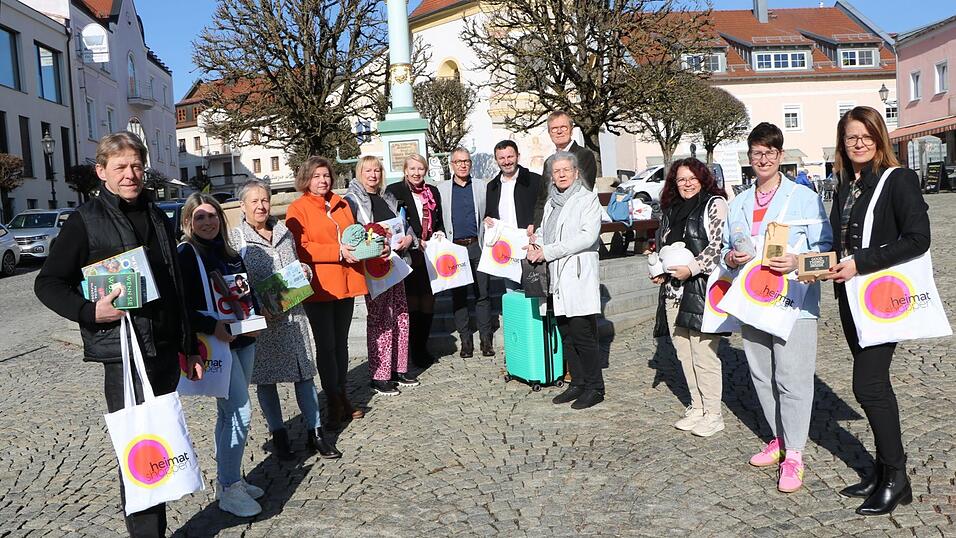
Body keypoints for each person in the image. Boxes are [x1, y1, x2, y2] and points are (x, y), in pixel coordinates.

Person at [34, 132, 202, 537]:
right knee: (140, 451)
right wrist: (90, 310)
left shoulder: (157, 214)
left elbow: (176, 285)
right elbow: (48, 283)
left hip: (163, 351)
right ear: (102, 172)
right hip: (125, 354)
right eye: (121, 167)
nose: (131, 175)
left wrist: (189, 344)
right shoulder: (84, 221)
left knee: (162, 445)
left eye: (136, 166)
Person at [827, 106, 929, 515]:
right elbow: (844, 238)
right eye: (852, 137)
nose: (859, 143)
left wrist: (860, 263)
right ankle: (885, 471)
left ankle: (896, 475)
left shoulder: (898, 179)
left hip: (882, 297)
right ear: (843, 142)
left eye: (867, 135)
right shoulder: (844, 185)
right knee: (877, 386)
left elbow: (918, 239)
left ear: (880, 137)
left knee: (867, 385)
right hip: (851, 297)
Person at [721, 122, 832, 493]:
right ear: (749, 158)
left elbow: (828, 255)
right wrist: (731, 259)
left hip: (794, 304)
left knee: (792, 378)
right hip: (753, 302)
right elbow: (725, 250)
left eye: (770, 152)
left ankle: (795, 454)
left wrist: (798, 261)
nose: (763, 159)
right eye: (757, 153)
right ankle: (779, 439)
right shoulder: (738, 202)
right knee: (762, 376)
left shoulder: (804, 197)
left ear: (781, 156)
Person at [230, 180, 341, 460]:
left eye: (264, 200)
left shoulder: (284, 231)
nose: (261, 206)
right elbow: (236, 283)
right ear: (242, 206)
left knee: (304, 375)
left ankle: (316, 433)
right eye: (254, 201)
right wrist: (256, 304)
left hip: (293, 316)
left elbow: (295, 266)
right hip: (264, 321)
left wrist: (304, 272)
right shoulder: (236, 239)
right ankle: (279, 435)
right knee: (266, 381)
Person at [177, 193, 265, 517]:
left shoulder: (229, 252)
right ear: (188, 222)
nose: (207, 222)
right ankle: (229, 487)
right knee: (240, 411)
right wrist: (210, 324)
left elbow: (244, 295)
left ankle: (229, 478)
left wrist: (255, 321)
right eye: (199, 217)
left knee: (227, 414)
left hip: (243, 340)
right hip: (215, 343)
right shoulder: (185, 254)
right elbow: (180, 306)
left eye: (212, 216)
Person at [286, 156, 370, 428]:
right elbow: (301, 247)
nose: (322, 180)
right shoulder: (297, 209)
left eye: (326, 175)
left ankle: (342, 393)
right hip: (320, 286)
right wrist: (336, 252)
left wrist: (363, 247)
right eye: (316, 176)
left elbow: (353, 235)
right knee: (326, 345)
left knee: (341, 344)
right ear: (306, 179)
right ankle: (333, 400)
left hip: (346, 282)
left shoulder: (341, 203)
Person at [651, 158, 729, 438]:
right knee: (684, 353)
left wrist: (692, 268)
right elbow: (663, 246)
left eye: (691, 177)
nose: (686, 183)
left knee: (703, 354)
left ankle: (713, 413)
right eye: (681, 179)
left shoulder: (714, 204)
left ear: (702, 178)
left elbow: (719, 245)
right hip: (674, 290)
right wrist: (659, 268)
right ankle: (697, 407)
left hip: (702, 289)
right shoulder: (670, 210)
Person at [527, 151, 605, 410]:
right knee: (566, 332)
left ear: (576, 172)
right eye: (556, 171)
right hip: (555, 277)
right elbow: (543, 231)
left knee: (583, 333)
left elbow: (587, 236)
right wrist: (535, 243)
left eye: (565, 170)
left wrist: (548, 251)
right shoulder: (551, 202)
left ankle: (595, 387)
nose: (560, 175)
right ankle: (578, 382)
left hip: (577, 274)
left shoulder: (587, 199)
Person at [345, 156, 420, 394]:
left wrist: (409, 237)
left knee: (400, 316)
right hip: (373, 268)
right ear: (359, 173)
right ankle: (380, 374)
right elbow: (351, 235)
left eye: (377, 170)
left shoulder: (387, 196)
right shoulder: (352, 201)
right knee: (380, 319)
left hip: (395, 264)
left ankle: (399, 367)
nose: (373, 175)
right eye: (368, 170)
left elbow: (402, 223)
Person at [386, 154, 444, 368]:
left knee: (429, 301)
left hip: (431, 252)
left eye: (420, 168)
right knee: (412, 301)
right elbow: (392, 223)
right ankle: (411, 350)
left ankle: (422, 346)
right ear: (405, 170)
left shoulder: (433, 192)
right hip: (410, 253)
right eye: (412, 168)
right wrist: (413, 239)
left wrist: (439, 233)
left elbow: (439, 221)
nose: (416, 173)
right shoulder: (395, 191)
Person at [436, 148, 492, 358]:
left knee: (483, 294)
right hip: (455, 248)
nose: (463, 165)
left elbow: (489, 211)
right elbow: (438, 216)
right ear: (452, 164)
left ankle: (486, 339)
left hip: (477, 245)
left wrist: (489, 220)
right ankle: (466, 340)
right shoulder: (442, 189)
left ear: (471, 163)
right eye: (458, 162)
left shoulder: (481, 186)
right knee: (458, 296)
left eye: (466, 161)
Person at [541, 110, 598, 191]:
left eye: (564, 127)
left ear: (571, 131)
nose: (559, 132)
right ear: (549, 133)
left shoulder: (584, 155)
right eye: (554, 129)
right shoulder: (548, 162)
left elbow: (585, 188)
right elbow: (544, 194)